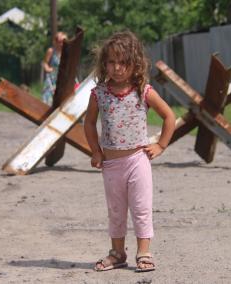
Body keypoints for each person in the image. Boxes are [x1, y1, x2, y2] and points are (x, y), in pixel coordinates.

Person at [84, 31, 175, 272]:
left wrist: (161, 145)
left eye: (123, 62)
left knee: (141, 208)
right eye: (111, 62)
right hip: (111, 165)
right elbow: (89, 123)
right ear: (104, 64)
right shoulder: (99, 93)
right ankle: (117, 253)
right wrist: (95, 151)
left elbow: (169, 116)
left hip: (138, 161)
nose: (117, 68)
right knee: (116, 211)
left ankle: (144, 252)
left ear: (135, 64)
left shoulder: (142, 91)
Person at [41, 31, 67, 105]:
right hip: (52, 78)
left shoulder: (66, 52)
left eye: (64, 42)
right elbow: (45, 63)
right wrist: (48, 69)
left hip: (62, 79)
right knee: (48, 100)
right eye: (60, 41)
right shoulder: (51, 51)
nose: (62, 44)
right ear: (56, 42)